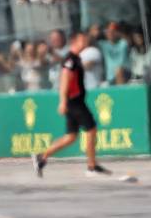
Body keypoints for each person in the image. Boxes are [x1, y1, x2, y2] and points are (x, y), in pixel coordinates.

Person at [33, 31, 111, 178]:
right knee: (91, 129)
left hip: (75, 101)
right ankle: (91, 166)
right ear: (74, 41)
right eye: (82, 40)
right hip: (74, 102)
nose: (85, 42)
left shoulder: (75, 58)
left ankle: (42, 156)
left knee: (71, 137)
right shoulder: (70, 60)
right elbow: (64, 80)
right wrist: (62, 101)